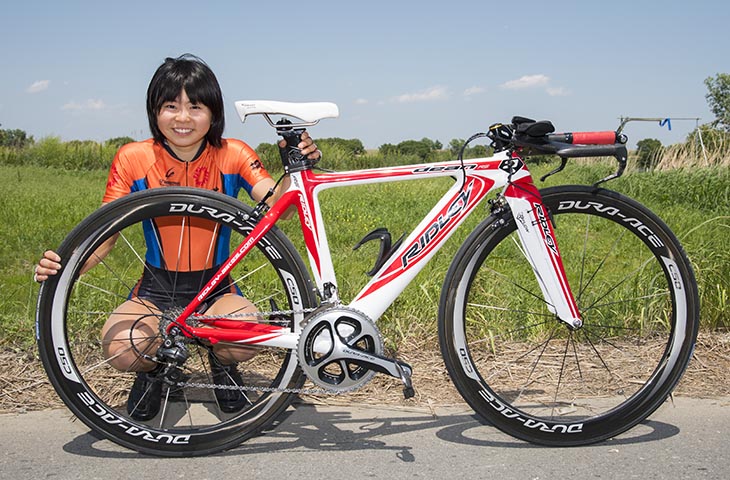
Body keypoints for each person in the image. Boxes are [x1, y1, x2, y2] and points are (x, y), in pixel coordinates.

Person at [34, 54, 320, 421]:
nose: (183, 118)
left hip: (216, 287)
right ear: (155, 111)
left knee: (248, 336)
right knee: (123, 347)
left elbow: (275, 203)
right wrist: (64, 267)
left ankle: (223, 367)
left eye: (195, 107)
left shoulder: (233, 153)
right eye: (171, 106)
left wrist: (295, 172)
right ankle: (155, 372)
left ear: (213, 114)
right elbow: (103, 237)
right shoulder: (133, 158)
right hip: (155, 287)